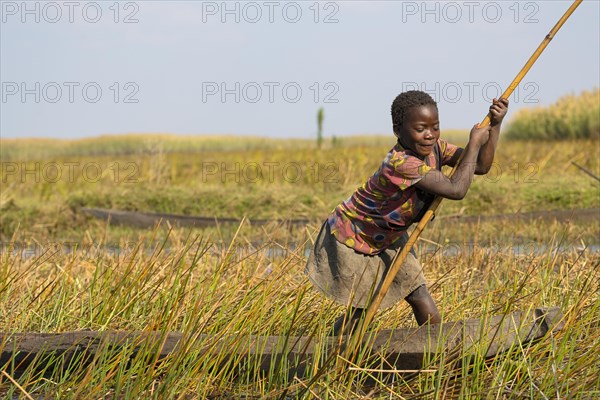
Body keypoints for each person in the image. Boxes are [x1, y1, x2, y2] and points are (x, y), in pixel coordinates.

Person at [305, 90, 509, 335]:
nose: (430, 136)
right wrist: (475, 141)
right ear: (397, 130)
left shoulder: (436, 149)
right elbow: (456, 190)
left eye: (435, 127)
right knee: (363, 306)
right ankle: (329, 351)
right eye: (421, 129)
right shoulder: (401, 163)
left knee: (418, 293)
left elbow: (480, 166)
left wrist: (495, 125)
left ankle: (438, 352)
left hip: (389, 236)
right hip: (354, 234)